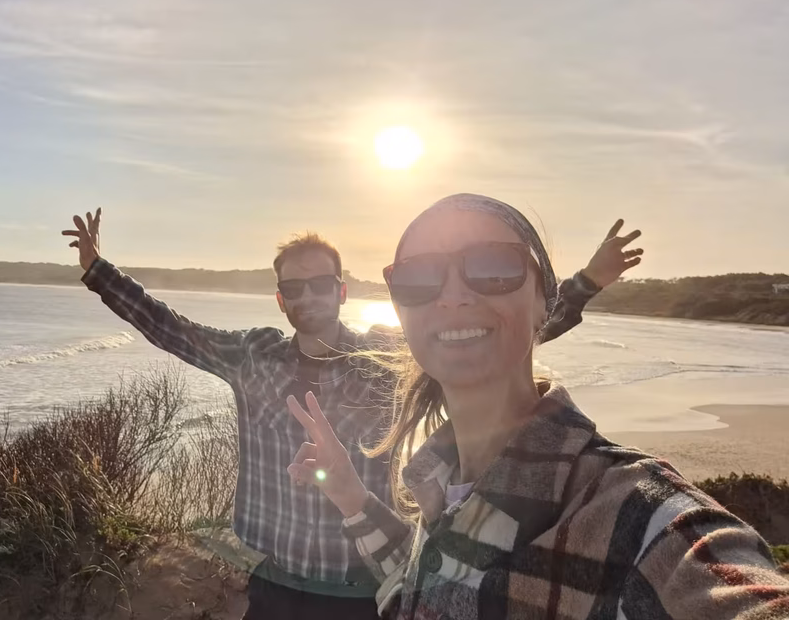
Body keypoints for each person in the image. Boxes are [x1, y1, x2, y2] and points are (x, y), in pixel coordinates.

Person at [61, 207, 643, 620]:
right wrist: (97, 271)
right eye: (294, 288)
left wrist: (585, 283)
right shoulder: (250, 357)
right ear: (281, 299)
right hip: (272, 581)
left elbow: (489, 335)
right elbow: (168, 328)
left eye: (320, 284)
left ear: (341, 292)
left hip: (366, 587)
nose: (307, 296)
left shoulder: (385, 359)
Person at [286, 193, 789, 620]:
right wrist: (350, 496)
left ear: (543, 302)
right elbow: (429, 579)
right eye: (419, 277)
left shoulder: (636, 516)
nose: (453, 295)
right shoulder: (440, 485)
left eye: (494, 267)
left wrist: (587, 281)